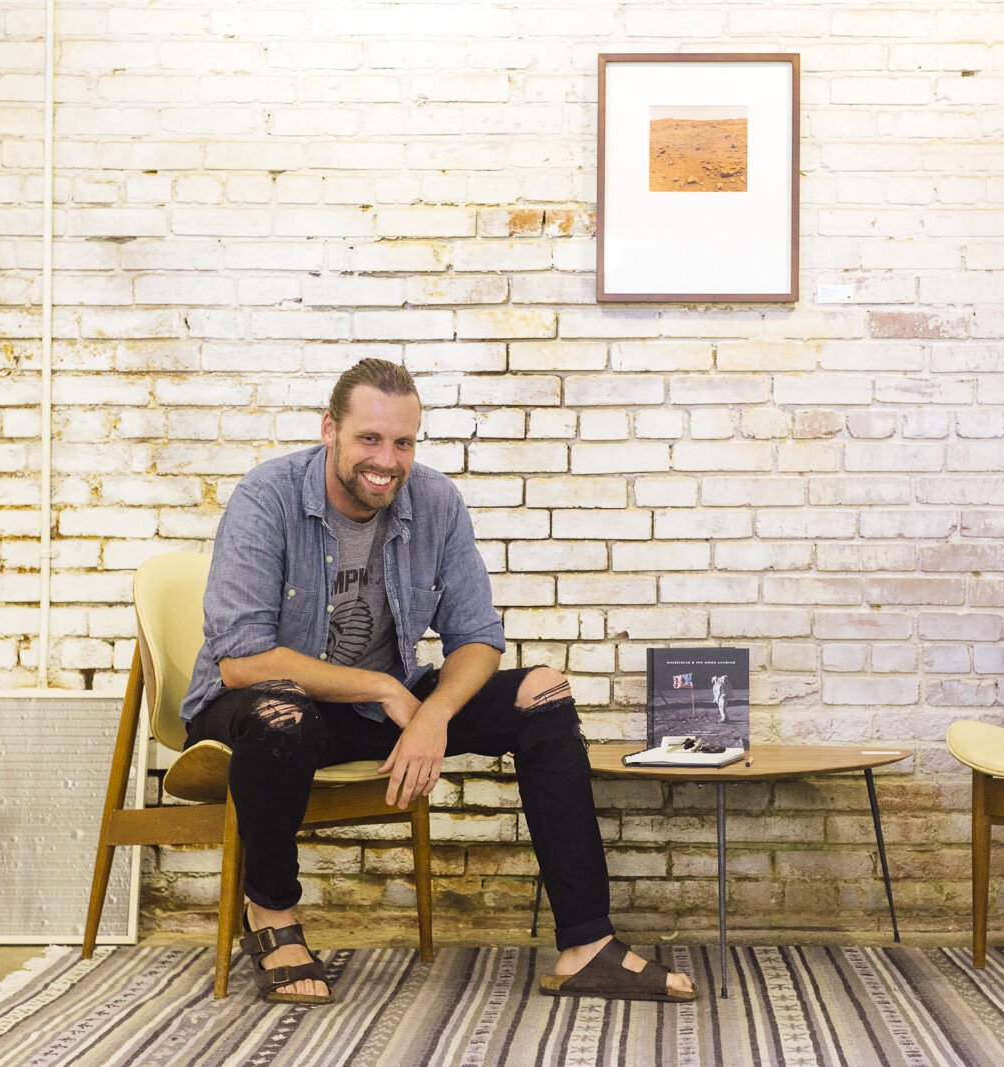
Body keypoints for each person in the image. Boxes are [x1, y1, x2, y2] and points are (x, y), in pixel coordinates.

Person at [179, 358, 696, 1004]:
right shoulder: (268, 496)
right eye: (369, 438)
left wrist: (433, 713)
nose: (387, 460)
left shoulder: (435, 502)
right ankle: (273, 911)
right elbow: (242, 659)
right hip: (255, 707)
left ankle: (585, 943)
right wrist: (389, 692)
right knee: (281, 713)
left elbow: (477, 636)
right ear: (329, 431)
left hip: (371, 712)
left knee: (543, 691)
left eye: (403, 442)